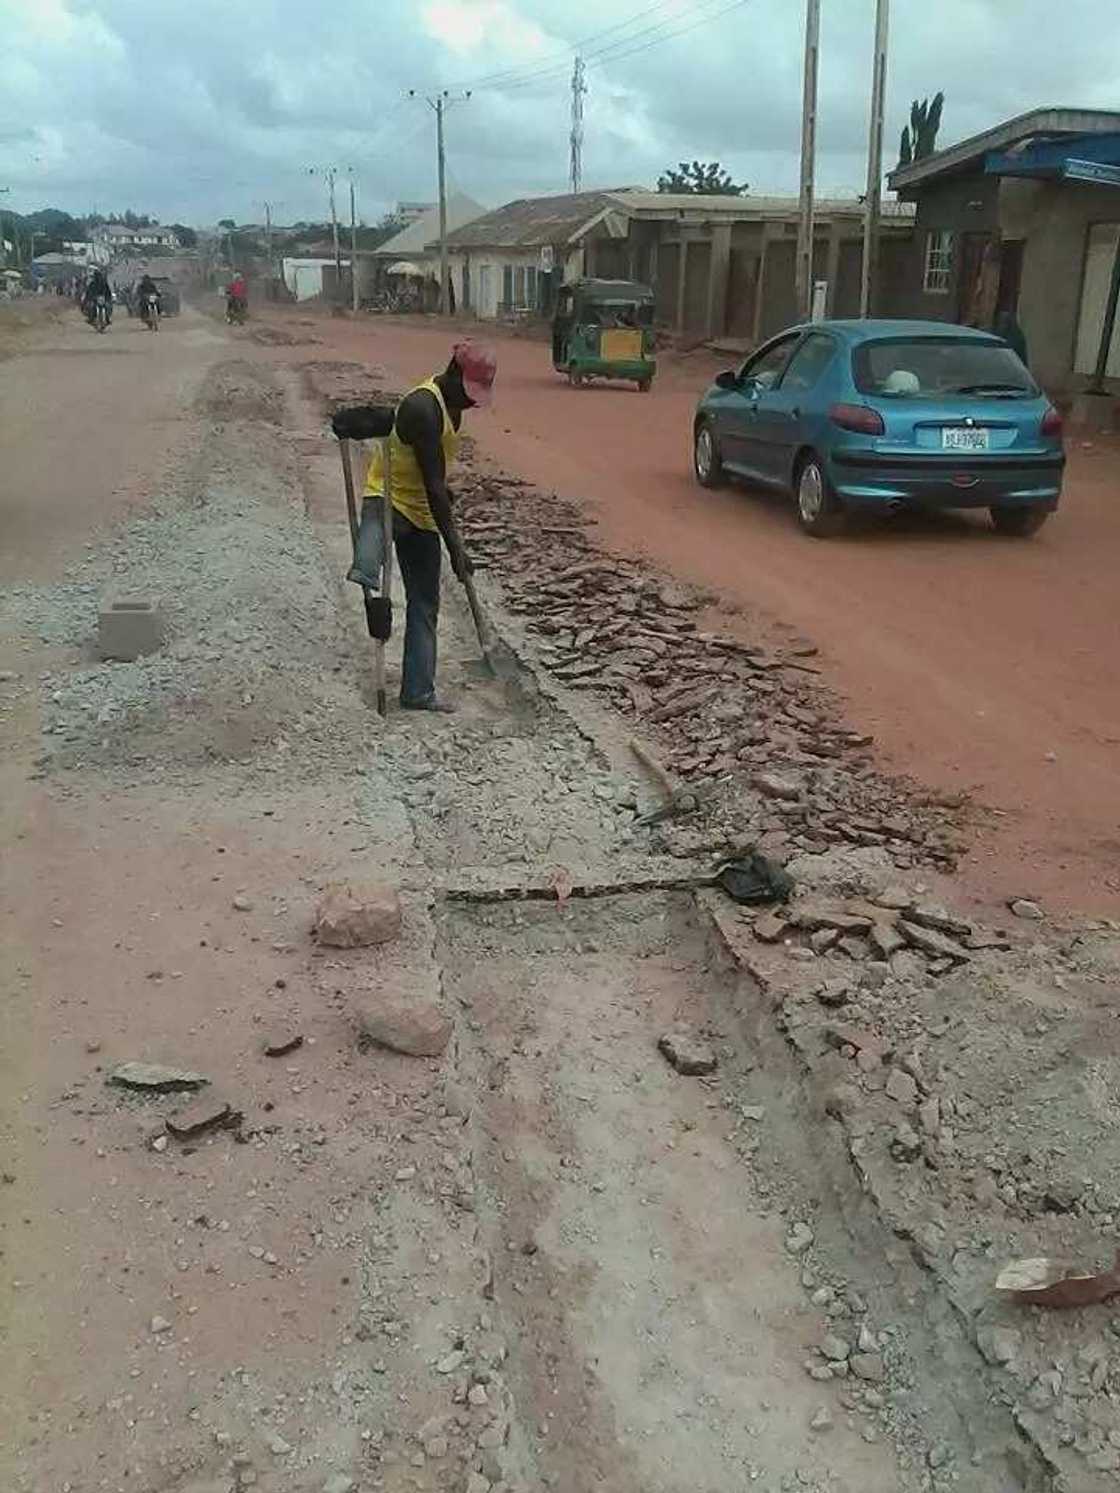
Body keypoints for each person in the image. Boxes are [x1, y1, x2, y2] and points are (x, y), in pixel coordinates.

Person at [331, 340, 498, 712]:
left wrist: (445, 505)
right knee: (375, 539)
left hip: (422, 510)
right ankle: (366, 571)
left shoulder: (454, 408)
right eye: (470, 392)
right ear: (454, 372)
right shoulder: (424, 406)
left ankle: (417, 691)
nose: (472, 401)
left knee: (425, 602)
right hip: (389, 495)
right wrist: (456, 549)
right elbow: (434, 485)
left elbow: (433, 474)